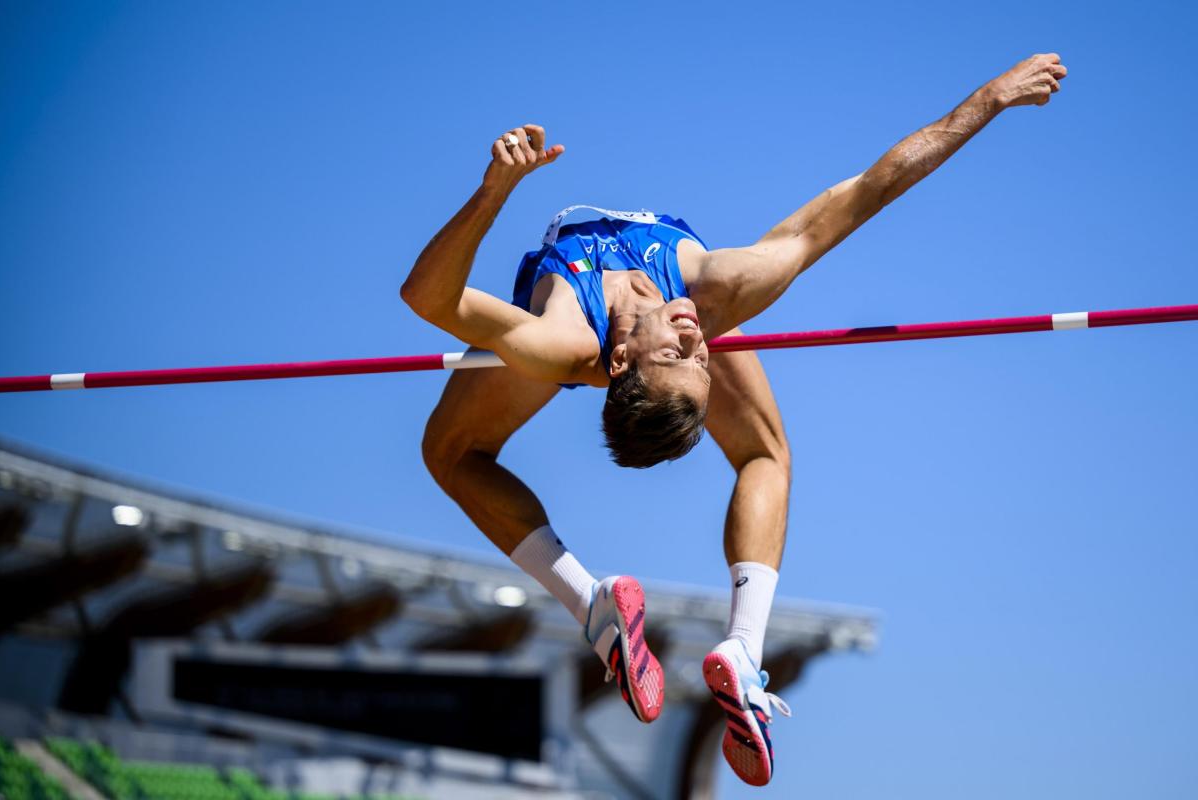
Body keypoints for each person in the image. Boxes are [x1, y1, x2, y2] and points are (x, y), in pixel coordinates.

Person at [401, 53, 1067, 786]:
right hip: (610, 311)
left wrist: (494, 190)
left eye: (681, 352)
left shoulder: (566, 343)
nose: (695, 338)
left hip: (571, 328)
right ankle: (739, 652)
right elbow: (867, 194)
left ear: (621, 362)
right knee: (766, 454)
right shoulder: (715, 295)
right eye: (700, 357)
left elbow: (430, 297)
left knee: (450, 453)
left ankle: (598, 608)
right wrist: (991, 100)